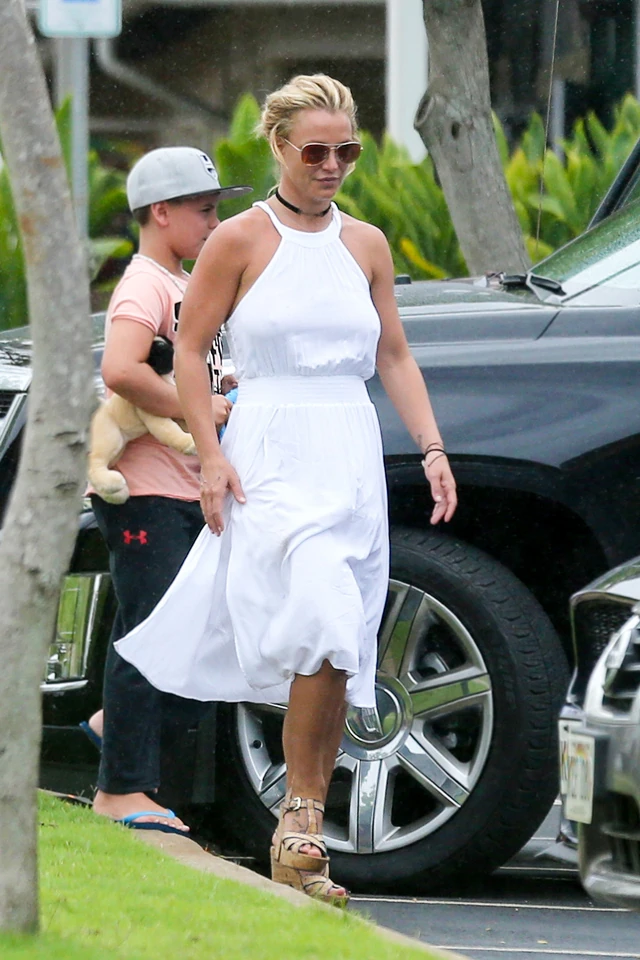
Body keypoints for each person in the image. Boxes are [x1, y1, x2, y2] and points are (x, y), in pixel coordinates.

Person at [116, 75, 457, 896]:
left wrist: (433, 446)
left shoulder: (366, 244)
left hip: (348, 450)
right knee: (321, 617)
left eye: (348, 151)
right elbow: (189, 351)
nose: (333, 165)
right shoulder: (239, 239)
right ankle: (301, 824)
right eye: (316, 152)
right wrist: (211, 454)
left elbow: (394, 355)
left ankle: (300, 824)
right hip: (270, 447)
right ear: (278, 147)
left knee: (339, 640)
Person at [88, 147, 251, 833]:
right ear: (161, 212)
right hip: (145, 492)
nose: (215, 224)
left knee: (188, 633)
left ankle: (114, 725)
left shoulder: (186, 282)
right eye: (204, 211)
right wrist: (195, 405)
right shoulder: (145, 286)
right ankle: (121, 790)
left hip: (185, 491)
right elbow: (121, 369)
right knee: (148, 632)